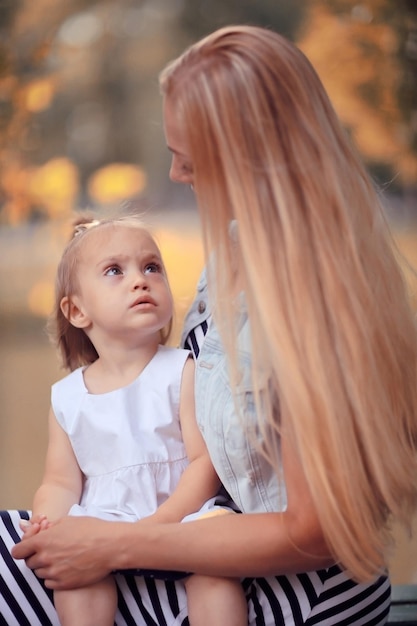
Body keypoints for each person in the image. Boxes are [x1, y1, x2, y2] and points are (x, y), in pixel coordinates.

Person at [5, 24, 417, 626]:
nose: (175, 174)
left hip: (293, 589)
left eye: (185, 155)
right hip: (204, 540)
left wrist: (114, 543)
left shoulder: (311, 304)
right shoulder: (236, 251)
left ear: (241, 155)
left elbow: (313, 534)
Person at [16, 215, 247, 626]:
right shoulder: (68, 397)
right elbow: (61, 481)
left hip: (182, 517)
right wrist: (48, 521)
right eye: (114, 271)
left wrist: (159, 526)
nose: (140, 280)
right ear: (77, 310)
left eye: (151, 267)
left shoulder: (182, 370)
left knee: (216, 573)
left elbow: (203, 464)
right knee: (75, 581)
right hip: (106, 520)